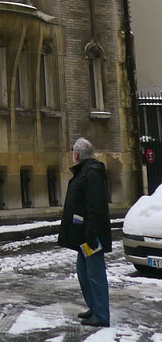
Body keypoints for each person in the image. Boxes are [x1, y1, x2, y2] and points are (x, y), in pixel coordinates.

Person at [58, 137, 111, 328]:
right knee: (83, 273)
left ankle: (101, 315)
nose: (72, 153)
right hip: (83, 236)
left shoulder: (91, 173)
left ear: (77, 154)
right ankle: (94, 307)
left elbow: (95, 206)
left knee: (95, 274)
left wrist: (92, 233)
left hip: (90, 236)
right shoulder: (84, 171)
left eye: (74, 151)